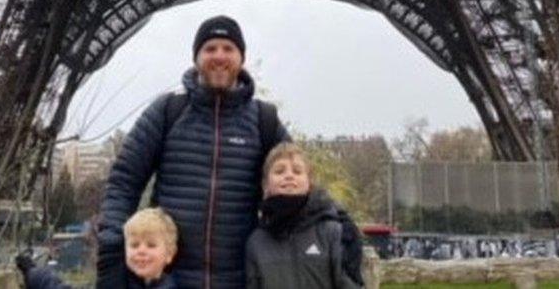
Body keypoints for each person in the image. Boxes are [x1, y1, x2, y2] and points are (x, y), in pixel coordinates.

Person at [96, 15, 290, 288]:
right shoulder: (166, 112)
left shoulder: (264, 121)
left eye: (228, 48)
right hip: (169, 281)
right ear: (196, 58)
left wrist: (336, 230)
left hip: (240, 280)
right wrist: (114, 244)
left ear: (241, 58)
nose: (219, 56)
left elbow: (300, 187)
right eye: (210, 49)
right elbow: (125, 181)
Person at [245, 142, 362, 288]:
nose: (289, 176)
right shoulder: (256, 242)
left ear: (309, 183)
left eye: (297, 171)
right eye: (279, 171)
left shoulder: (333, 232)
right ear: (265, 185)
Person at [124, 208, 179, 288]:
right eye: (134, 245)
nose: (141, 251)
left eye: (151, 245)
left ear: (169, 254)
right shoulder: (120, 280)